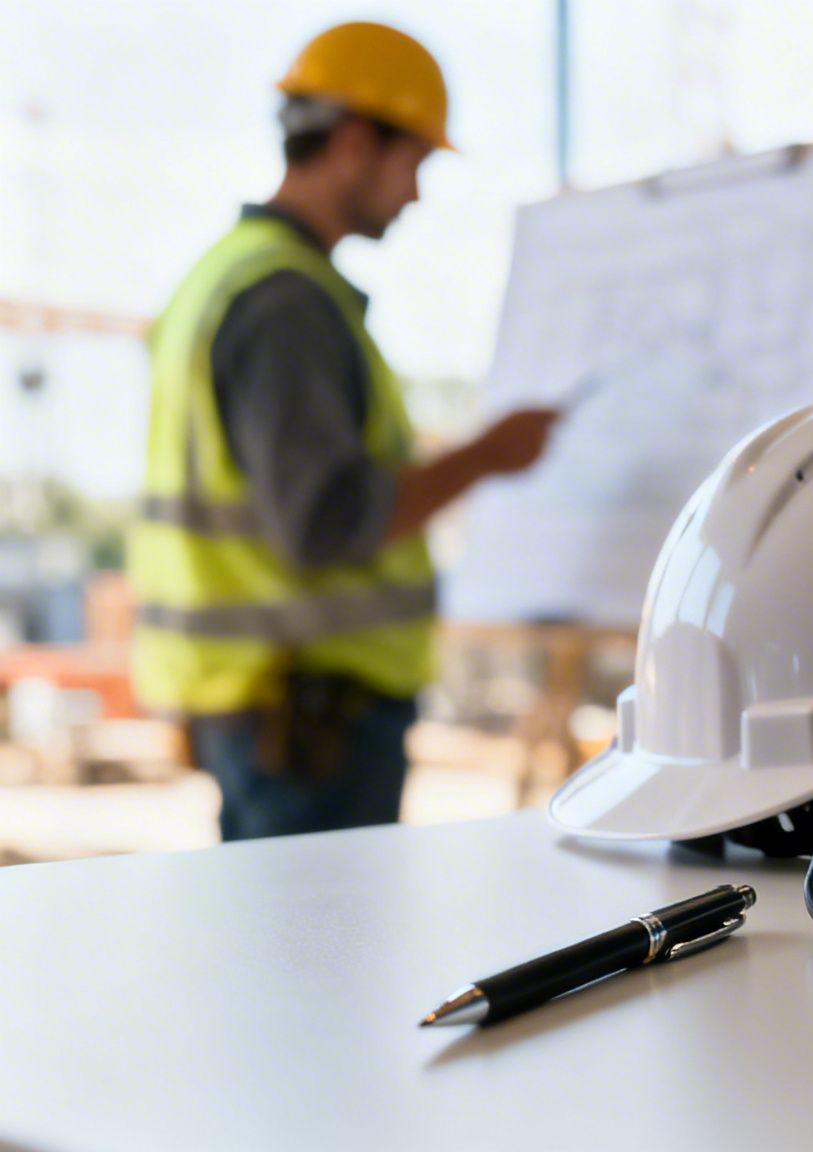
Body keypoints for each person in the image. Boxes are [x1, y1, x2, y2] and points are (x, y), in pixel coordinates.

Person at [130, 22, 560, 840]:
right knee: (314, 961)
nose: (417, 193)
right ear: (358, 140)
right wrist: (485, 457)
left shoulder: (222, 277)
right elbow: (325, 518)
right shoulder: (286, 301)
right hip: (310, 719)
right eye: (416, 162)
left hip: (272, 707)